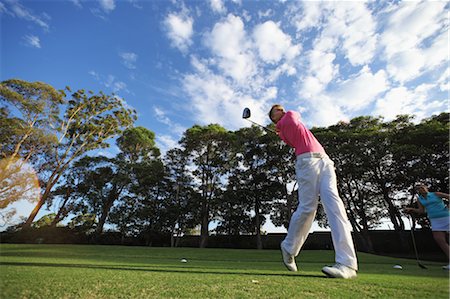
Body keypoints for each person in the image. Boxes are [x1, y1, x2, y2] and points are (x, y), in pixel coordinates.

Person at [268, 104, 358, 279]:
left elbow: (290, 134)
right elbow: (296, 115)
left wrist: (280, 130)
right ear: (274, 117)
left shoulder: (284, 130)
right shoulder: (289, 117)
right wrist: (280, 125)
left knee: (335, 205)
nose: (281, 110)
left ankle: (347, 263)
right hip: (307, 162)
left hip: (325, 160)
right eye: (276, 110)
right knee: (308, 208)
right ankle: (289, 246)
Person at [404, 183, 450, 270]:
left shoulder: (435, 194)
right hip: (434, 220)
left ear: (425, 188)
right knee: (440, 240)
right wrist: (411, 209)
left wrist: (448, 206)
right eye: (418, 189)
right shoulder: (420, 199)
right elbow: (421, 211)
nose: (421, 189)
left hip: (446, 217)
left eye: (422, 187)